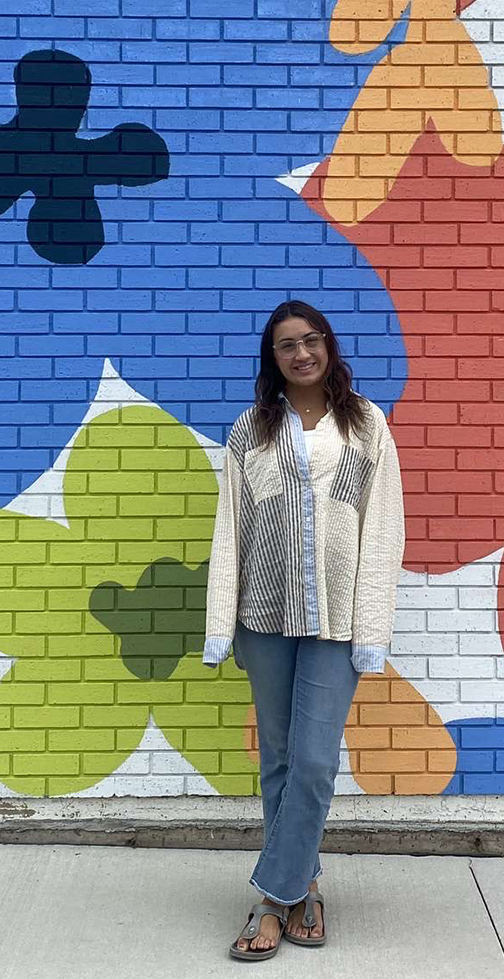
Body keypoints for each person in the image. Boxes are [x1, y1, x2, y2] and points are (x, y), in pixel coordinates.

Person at [203, 300, 405, 962]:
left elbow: (382, 531)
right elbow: (229, 531)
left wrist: (372, 626)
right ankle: (306, 888)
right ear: (274, 359)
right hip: (264, 617)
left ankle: (271, 897)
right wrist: (219, 623)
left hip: (336, 620)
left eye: (311, 340)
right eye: (287, 345)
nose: (301, 354)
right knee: (281, 761)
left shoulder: (366, 424)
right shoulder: (250, 430)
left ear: (328, 346)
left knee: (314, 763)